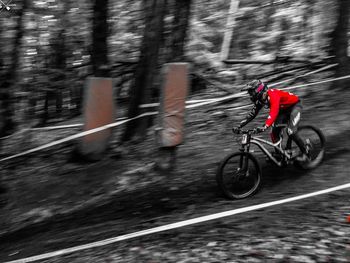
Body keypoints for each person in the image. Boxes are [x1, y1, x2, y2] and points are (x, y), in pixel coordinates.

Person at [237, 79, 309, 161]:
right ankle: (280, 154)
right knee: (273, 132)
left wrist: (265, 125)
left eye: (251, 92)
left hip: (294, 106)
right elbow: (252, 114)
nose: (250, 95)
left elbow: (274, 112)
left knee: (291, 131)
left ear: (259, 90)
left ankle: (305, 152)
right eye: (249, 93)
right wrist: (239, 126)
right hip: (282, 110)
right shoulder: (260, 100)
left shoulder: (272, 95)